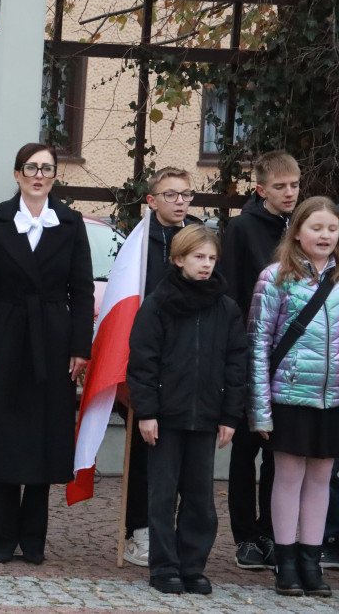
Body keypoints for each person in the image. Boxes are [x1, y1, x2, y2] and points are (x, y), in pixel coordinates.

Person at [0, 142, 93, 565]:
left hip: (55, 339)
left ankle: (35, 536)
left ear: (55, 176)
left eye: (47, 169)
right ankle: (3, 532)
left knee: (46, 437)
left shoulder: (72, 223)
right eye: (31, 168)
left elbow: (82, 290)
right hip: (5, 337)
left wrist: (81, 346)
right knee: (5, 434)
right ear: (18, 174)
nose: (39, 175)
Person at [127, 225, 247, 595]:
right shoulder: (158, 304)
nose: (206, 265)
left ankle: (192, 566)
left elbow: (236, 364)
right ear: (179, 259)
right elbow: (143, 362)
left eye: (211, 258)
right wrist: (147, 412)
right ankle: (164, 566)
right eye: (198, 257)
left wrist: (230, 416)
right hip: (165, 417)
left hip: (207, 417)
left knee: (200, 499)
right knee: (162, 496)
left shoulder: (226, 308)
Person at [249, 196, 339, 598]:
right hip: (287, 396)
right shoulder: (275, 278)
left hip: (332, 399)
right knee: (288, 477)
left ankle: (310, 561)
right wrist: (260, 411)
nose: (325, 235)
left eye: (332, 229)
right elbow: (257, 346)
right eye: (316, 227)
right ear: (297, 231)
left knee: (321, 479)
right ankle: (285, 563)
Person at [219, 150, 301, 570]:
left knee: (279, 450)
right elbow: (230, 291)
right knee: (245, 449)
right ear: (261, 189)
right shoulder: (242, 228)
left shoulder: (301, 228)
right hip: (252, 354)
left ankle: (272, 530)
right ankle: (246, 536)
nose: (290, 193)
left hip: (293, 361)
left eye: (295, 185)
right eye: (280, 186)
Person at [121, 166, 203, 568]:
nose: (181, 201)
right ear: (152, 201)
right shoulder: (138, 244)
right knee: (145, 449)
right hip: (150, 361)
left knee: (185, 457)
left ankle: (179, 534)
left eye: (186, 194)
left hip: (189, 364)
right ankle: (140, 530)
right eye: (171, 195)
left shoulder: (200, 238)